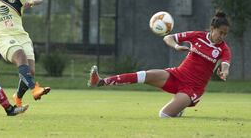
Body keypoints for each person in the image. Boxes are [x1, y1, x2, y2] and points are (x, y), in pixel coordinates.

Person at [88, 11, 231, 118]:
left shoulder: (223, 49)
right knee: (144, 75)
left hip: (192, 88)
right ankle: (100, 81)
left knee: (164, 115)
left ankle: (180, 108)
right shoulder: (197, 36)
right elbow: (168, 37)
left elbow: (226, 63)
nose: (222, 37)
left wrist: (224, 72)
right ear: (212, 28)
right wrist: (176, 46)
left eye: (225, 34)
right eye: (220, 32)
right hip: (177, 75)